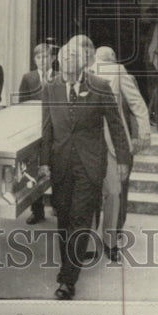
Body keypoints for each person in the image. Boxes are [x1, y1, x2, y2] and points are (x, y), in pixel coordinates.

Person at [38, 35, 130, 300]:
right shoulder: (51, 87)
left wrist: (122, 159)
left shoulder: (100, 86)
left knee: (80, 219)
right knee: (64, 219)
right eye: (65, 56)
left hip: (90, 164)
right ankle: (68, 266)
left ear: (83, 61)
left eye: (74, 56)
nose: (69, 60)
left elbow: (116, 125)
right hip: (61, 163)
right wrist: (44, 162)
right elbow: (47, 128)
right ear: (58, 60)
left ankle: (68, 279)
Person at [92, 45, 151, 261]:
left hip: (112, 141)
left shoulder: (118, 72)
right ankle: (92, 240)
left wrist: (144, 133)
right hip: (86, 141)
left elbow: (136, 103)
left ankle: (111, 239)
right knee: (93, 193)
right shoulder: (77, 72)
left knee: (114, 192)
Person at [17, 43, 55, 226]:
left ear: (52, 58)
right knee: (34, 168)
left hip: (55, 129)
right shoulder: (28, 78)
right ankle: (37, 210)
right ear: (34, 60)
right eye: (39, 57)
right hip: (34, 129)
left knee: (56, 165)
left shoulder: (60, 77)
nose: (42, 60)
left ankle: (57, 205)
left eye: (46, 56)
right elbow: (21, 104)